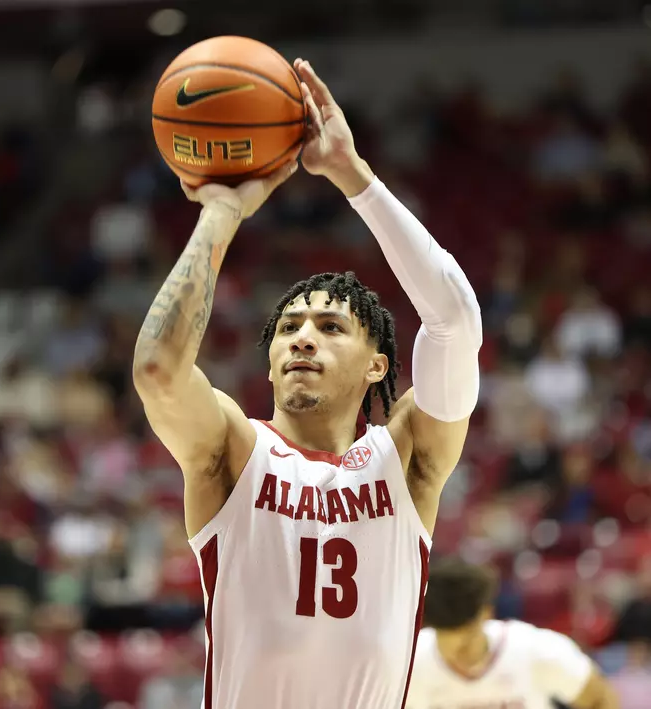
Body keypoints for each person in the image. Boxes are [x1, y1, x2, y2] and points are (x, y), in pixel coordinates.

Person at [132, 57, 483, 709]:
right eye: (289, 326)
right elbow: (157, 369)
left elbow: (456, 320)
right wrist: (223, 209)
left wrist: (353, 175)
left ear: (378, 363)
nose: (301, 336)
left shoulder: (405, 458)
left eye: (330, 325)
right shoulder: (234, 451)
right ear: (267, 362)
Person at [407, 557, 619, 709]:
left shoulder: (535, 649)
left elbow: (599, 699)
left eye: (467, 642)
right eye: (451, 647)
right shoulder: (409, 666)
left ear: (486, 613)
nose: (462, 654)